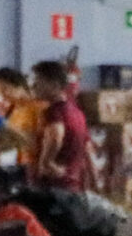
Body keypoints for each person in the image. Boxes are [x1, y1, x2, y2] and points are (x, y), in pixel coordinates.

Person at [26, 59, 95, 192]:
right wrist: (93, 184)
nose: (33, 86)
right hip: (73, 187)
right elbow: (87, 151)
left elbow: (56, 135)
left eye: (38, 81)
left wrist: (47, 163)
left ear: (55, 85)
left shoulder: (53, 113)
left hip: (51, 191)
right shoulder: (77, 113)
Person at [0, 66, 44, 167]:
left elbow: (39, 141)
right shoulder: (15, 111)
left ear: (18, 86)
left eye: (5, 89)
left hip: (30, 167)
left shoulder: (38, 108)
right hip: (13, 165)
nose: (3, 95)